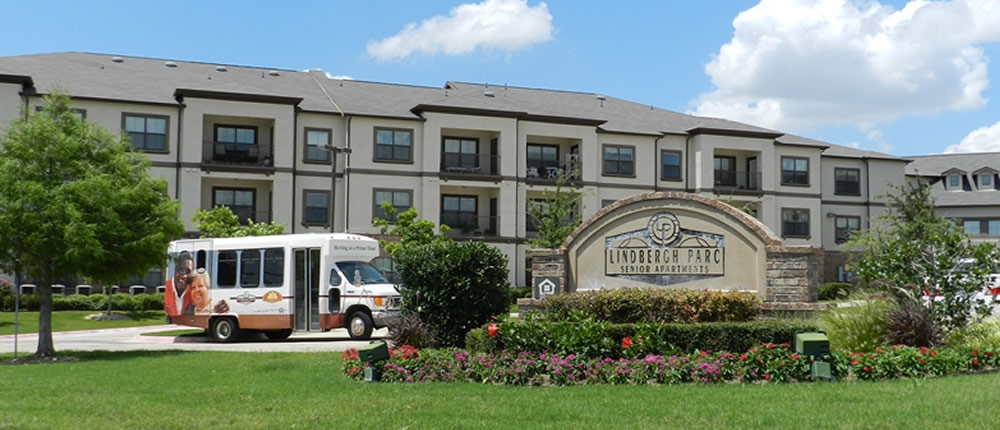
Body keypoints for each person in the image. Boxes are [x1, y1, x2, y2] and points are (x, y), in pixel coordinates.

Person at [165, 251, 194, 317]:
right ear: (175, 270)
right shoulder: (168, 287)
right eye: (182, 271)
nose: (185, 276)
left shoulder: (193, 292)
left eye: (188, 272)